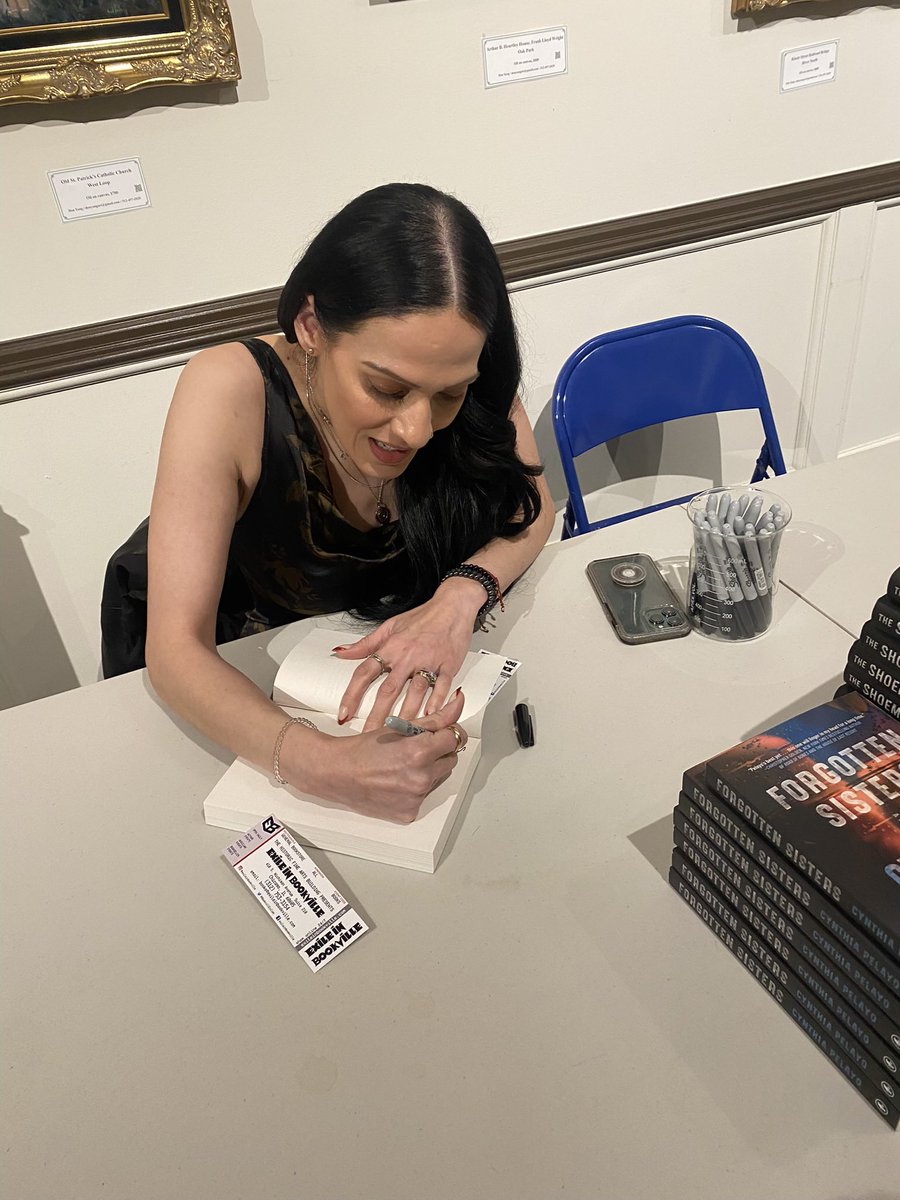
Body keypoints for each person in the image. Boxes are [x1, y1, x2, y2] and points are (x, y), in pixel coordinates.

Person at [101, 182, 554, 822]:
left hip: (392, 676)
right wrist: (320, 765)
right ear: (312, 326)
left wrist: (459, 597)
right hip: (253, 684)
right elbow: (175, 650)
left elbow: (533, 511)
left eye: (448, 395)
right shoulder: (231, 389)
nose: (417, 430)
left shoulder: (462, 366)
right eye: (386, 388)